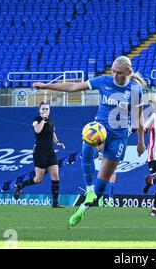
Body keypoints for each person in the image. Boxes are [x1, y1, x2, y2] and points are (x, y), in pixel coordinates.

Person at [33, 56, 146, 226]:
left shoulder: (136, 90)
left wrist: (140, 142)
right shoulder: (104, 81)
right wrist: (46, 86)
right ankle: (89, 190)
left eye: (119, 73)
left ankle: (82, 210)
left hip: (120, 136)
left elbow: (139, 118)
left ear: (128, 73)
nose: (115, 75)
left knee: (102, 184)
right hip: (100, 130)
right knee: (86, 149)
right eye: (113, 71)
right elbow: (73, 86)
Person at [13, 102, 66, 208]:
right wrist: (43, 119)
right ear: (39, 110)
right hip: (39, 152)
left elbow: (53, 132)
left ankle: (55, 203)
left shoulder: (50, 120)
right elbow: (38, 130)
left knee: (55, 175)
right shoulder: (37, 119)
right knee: (38, 179)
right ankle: (20, 186)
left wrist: (57, 142)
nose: (45, 111)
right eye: (43, 109)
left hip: (50, 151)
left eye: (47, 109)